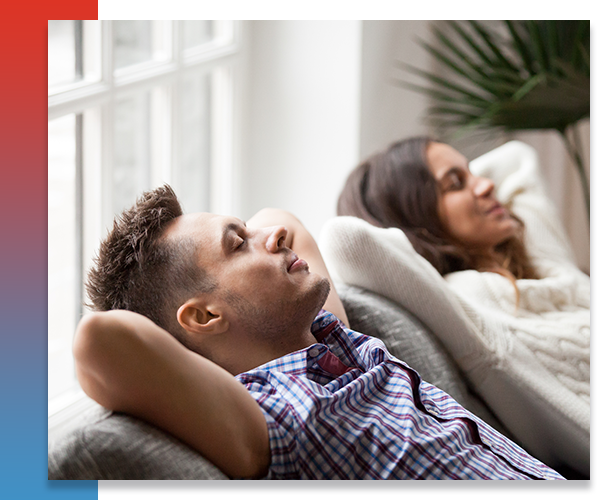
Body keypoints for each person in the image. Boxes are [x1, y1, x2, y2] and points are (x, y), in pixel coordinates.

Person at [73, 184, 565, 480]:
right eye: (238, 244)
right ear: (203, 318)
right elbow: (99, 341)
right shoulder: (269, 417)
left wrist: (247, 237)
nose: (272, 236)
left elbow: (279, 218)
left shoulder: (330, 336)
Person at [331, 137, 590, 476]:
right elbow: (347, 241)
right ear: (415, 215)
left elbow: (516, 157)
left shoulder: (540, 262)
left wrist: (459, 183)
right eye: (455, 183)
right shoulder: (468, 303)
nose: (487, 184)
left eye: (472, 173)